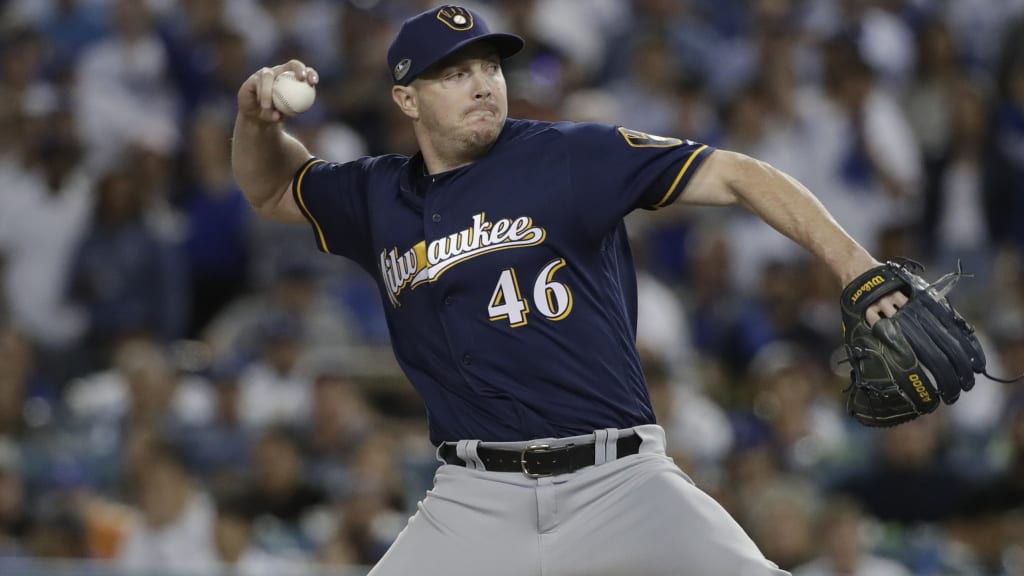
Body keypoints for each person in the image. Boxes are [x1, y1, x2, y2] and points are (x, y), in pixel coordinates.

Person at [231, 5, 907, 575]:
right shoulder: (377, 195)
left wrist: (853, 263)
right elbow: (270, 187)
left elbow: (735, 173)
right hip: (474, 497)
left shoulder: (569, 155)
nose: (483, 86)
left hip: (620, 481)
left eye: (490, 68)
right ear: (406, 99)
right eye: (456, 74)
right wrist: (257, 120)